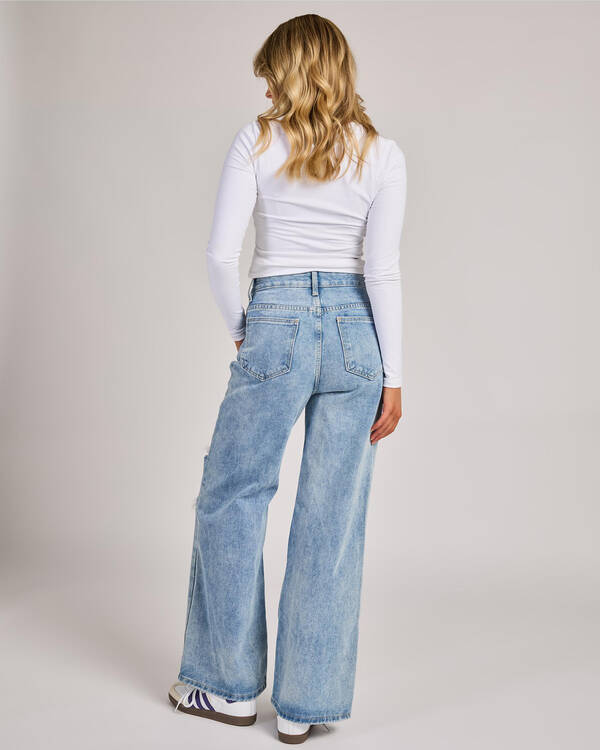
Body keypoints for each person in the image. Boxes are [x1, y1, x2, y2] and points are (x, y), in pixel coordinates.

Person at [168, 13, 407, 744]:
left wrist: (246, 328)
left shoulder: (256, 140)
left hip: (274, 318)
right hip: (357, 334)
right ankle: (306, 706)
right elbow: (382, 270)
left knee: (233, 495)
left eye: (271, 74)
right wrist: (394, 376)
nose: (266, 88)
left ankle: (227, 688)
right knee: (332, 518)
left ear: (293, 72)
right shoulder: (383, 155)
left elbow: (220, 256)